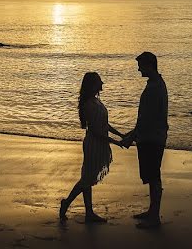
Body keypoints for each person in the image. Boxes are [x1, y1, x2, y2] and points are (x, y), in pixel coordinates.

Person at [60, 72, 125, 223]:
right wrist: (115, 142)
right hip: (93, 143)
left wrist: (120, 135)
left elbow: (104, 124)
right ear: (93, 85)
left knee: (87, 179)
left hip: (100, 142)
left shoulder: (95, 101)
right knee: (86, 179)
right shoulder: (88, 104)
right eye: (99, 82)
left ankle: (88, 212)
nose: (102, 84)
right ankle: (69, 203)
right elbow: (95, 131)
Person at [121, 51, 168, 229]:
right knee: (152, 175)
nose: (138, 69)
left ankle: (154, 217)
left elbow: (147, 118)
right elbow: (145, 117)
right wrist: (133, 134)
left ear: (149, 65)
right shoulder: (155, 84)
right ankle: (152, 212)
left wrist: (131, 136)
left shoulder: (155, 87)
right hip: (152, 136)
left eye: (140, 66)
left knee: (154, 177)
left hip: (152, 137)